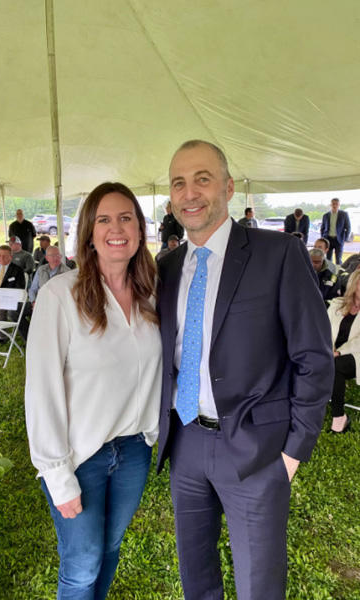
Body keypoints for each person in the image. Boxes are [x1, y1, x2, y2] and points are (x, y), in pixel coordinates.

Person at [156, 140, 333, 600]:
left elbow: (313, 357)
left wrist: (293, 453)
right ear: (171, 197)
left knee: (259, 585)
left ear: (229, 187)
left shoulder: (278, 253)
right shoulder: (167, 266)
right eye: (179, 183)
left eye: (203, 179)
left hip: (256, 450)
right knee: (196, 578)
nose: (190, 193)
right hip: (186, 441)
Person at [25, 182, 162, 600]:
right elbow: (41, 391)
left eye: (126, 218)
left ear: (139, 229)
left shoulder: (151, 295)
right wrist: (57, 475)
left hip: (134, 452)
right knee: (82, 565)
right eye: (104, 219)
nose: (116, 228)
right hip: (80, 456)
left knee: (110, 550)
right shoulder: (59, 296)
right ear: (88, 232)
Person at [327, 270, 360, 433]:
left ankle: (339, 418)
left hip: (356, 355)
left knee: (335, 365)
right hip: (330, 352)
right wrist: (328, 348)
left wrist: (339, 352)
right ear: (354, 284)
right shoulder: (337, 303)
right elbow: (323, 328)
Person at [0, 245, 28, 342]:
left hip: (7, 299)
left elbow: (19, 288)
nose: (1, 258)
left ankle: (2, 337)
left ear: (11, 257)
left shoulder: (17, 270)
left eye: (4, 256)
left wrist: (0, 298)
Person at [320, 198, 351, 265]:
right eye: (333, 204)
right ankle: (329, 274)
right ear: (330, 205)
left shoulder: (344, 214)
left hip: (339, 240)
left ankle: (338, 274)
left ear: (339, 205)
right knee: (328, 259)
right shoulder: (325, 215)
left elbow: (348, 227)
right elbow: (322, 228)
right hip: (328, 239)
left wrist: (345, 239)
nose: (334, 205)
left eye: (336, 204)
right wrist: (323, 238)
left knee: (338, 259)